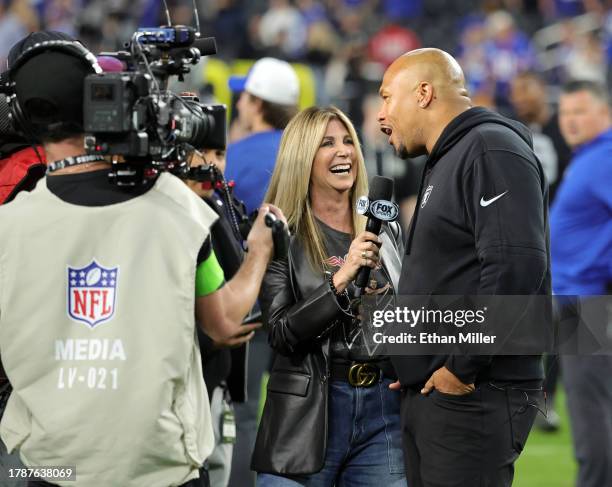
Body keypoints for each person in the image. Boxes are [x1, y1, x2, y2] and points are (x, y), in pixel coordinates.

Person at [0, 31, 285, 487]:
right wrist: (259, 252)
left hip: (53, 467)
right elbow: (224, 322)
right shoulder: (177, 206)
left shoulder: (8, 223)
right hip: (157, 467)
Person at [378, 48, 549, 487]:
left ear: (423, 93)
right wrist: (416, 360)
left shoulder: (490, 147)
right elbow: (453, 272)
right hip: (441, 393)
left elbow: (515, 268)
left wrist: (460, 366)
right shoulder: (448, 157)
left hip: (476, 392)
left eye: (386, 98)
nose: (381, 115)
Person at [252, 106, 406, 487]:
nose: (345, 152)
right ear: (303, 156)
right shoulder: (280, 234)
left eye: (348, 141)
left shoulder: (386, 231)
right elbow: (281, 332)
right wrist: (342, 278)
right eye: (327, 143)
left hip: (382, 412)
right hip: (305, 414)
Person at [225, 56, 299, 487]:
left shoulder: (235, 156)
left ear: (257, 104)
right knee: (305, 412)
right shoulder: (311, 153)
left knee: (243, 417)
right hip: (309, 302)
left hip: (250, 302)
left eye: (245, 97)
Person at [184, 143, 256, 487]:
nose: (210, 165)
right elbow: (225, 320)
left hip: (214, 382)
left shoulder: (218, 206)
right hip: (183, 387)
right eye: (201, 153)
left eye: (219, 154)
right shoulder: (180, 214)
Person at [552, 79, 612, 487]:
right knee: (590, 407)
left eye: (580, 111)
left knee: (590, 413)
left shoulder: (605, 157)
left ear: (604, 113)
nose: (570, 120)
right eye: (565, 112)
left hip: (587, 303)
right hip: (580, 300)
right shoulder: (589, 156)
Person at [509, 70, 573, 432]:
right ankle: (522, 395)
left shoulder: (562, 135)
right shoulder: (508, 131)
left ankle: (548, 399)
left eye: (528, 90)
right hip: (524, 241)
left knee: (566, 322)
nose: (523, 98)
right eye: (518, 91)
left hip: (561, 243)